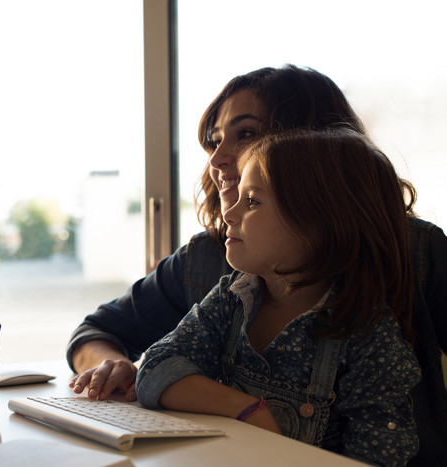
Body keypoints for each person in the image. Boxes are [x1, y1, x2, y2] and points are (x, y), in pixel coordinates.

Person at [66, 65, 447, 464]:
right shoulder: (215, 263)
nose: (217, 159)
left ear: (315, 149)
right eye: (214, 141)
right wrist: (111, 366)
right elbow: (99, 330)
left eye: (246, 133)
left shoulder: (415, 254)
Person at [135, 128, 420, 466]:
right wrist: (246, 409)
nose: (229, 213)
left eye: (252, 201)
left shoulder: (369, 337)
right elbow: (156, 368)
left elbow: (380, 453)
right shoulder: (232, 299)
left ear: (322, 222)